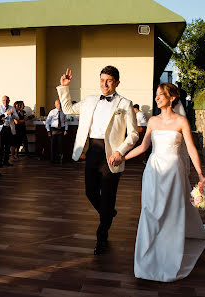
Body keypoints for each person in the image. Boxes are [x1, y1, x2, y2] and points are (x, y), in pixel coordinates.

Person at [124, 82, 205, 282]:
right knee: (149, 210)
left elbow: (190, 149)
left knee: (172, 212)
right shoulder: (153, 121)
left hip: (173, 171)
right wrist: (122, 156)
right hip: (153, 172)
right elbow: (143, 147)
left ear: (172, 97)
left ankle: (169, 258)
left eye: (160, 94)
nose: (156, 98)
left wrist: (200, 175)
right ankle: (145, 259)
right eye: (156, 94)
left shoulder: (182, 121)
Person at [57, 66, 138, 255]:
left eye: (109, 80)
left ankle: (102, 237)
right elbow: (68, 109)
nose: (105, 84)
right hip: (93, 151)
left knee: (108, 196)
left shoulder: (125, 104)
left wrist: (120, 152)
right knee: (90, 191)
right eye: (102, 80)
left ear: (117, 82)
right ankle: (108, 213)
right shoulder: (90, 100)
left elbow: (133, 134)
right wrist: (65, 87)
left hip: (112, 156)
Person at [0, 95, 19, 167]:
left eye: (7, 100)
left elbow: (17, 118)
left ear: (9, 101)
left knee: (7, 146)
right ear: (2, 101)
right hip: (2, 129)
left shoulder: (12, 108)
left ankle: (6, 161)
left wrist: (12, 114)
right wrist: (7, 113)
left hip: (9, 128)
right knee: (1, 146)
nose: (5, 102)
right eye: (4, 100)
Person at [45, 99, 68, 163]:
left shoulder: (63, 112)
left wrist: (66, 129)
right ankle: (52, 159)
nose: (59, 105)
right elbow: (47, 122)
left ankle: (60, 159)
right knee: (53, 145)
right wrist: (48, 131)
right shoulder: (52, 112)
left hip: (61, 129)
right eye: (57, 104)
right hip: (54, 129)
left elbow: (65, 121)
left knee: (60, 145)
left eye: (60, 104)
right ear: (55, 105)